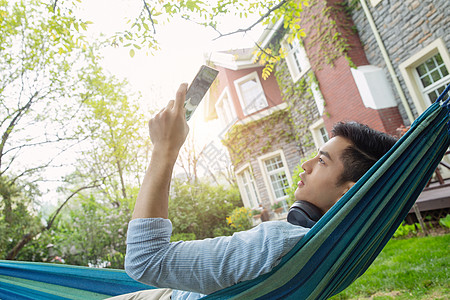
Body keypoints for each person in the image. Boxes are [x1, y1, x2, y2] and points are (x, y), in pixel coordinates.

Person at [119, 84, 397, 300]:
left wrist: (164, 149)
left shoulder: (277, 243)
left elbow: (146, 259)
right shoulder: (339, 250)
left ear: (348, 193)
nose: (307, 165)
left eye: (322, 161)